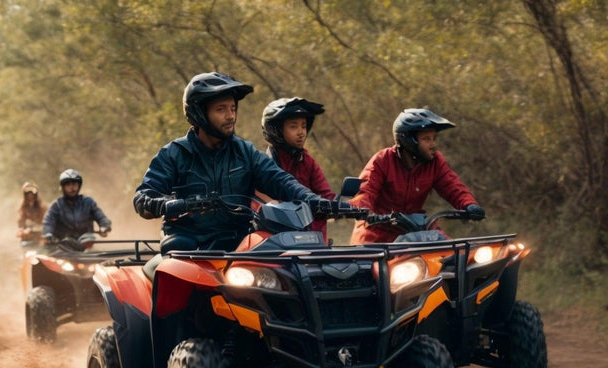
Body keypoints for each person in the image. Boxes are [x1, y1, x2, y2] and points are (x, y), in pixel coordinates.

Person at [133, 72, 336, 253]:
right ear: (199, 114)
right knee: (177, 257)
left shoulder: (245, 151)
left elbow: (280, 180)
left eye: (232, 108)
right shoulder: (174, 154)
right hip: (189, 247)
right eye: (221, 109)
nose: (230, 116)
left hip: (238, 244)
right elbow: (144, 197)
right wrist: (168, 204)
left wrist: (315, 201)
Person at [349, 109, 484, 244]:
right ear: (408, 141)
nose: (433, 145)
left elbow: (452, 186)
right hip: (377, 233)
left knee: (452, 253)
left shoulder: (435, 162)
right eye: (426, 139)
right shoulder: (383, 160)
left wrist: (469, 204)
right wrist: (360, 210)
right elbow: (365, 190)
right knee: (370, 263)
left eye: (434, 139)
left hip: (414, 231)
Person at [260, 97, 335, 239]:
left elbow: (326, 196)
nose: (301, 132)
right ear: (276, 131)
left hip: (312, 241)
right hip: (276, 241)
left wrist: (343, 205)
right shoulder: (264, 164)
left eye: (304, 126)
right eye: (293, 126)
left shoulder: (308, 162)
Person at [42, 169, 112, 244]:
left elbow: (101, 217)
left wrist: (104, 226)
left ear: (79, 186)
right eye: (68, 185)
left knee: (88, 240)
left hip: (86, 246)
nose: (72, 188)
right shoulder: (56, 205)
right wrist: (48, 234)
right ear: (63, 187)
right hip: (63, 247)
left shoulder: (88, 202)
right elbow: (48, 223)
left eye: (74, 184)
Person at [16, 181, 45, 247]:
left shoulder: (42, 207)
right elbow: (20, 224)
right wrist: (22, 231)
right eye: (27, 192)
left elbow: (46, 224)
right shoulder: (22, 208)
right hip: (26, 241)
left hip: (39, 240)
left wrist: (32, 229)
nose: (30, 195)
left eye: (32, 192)